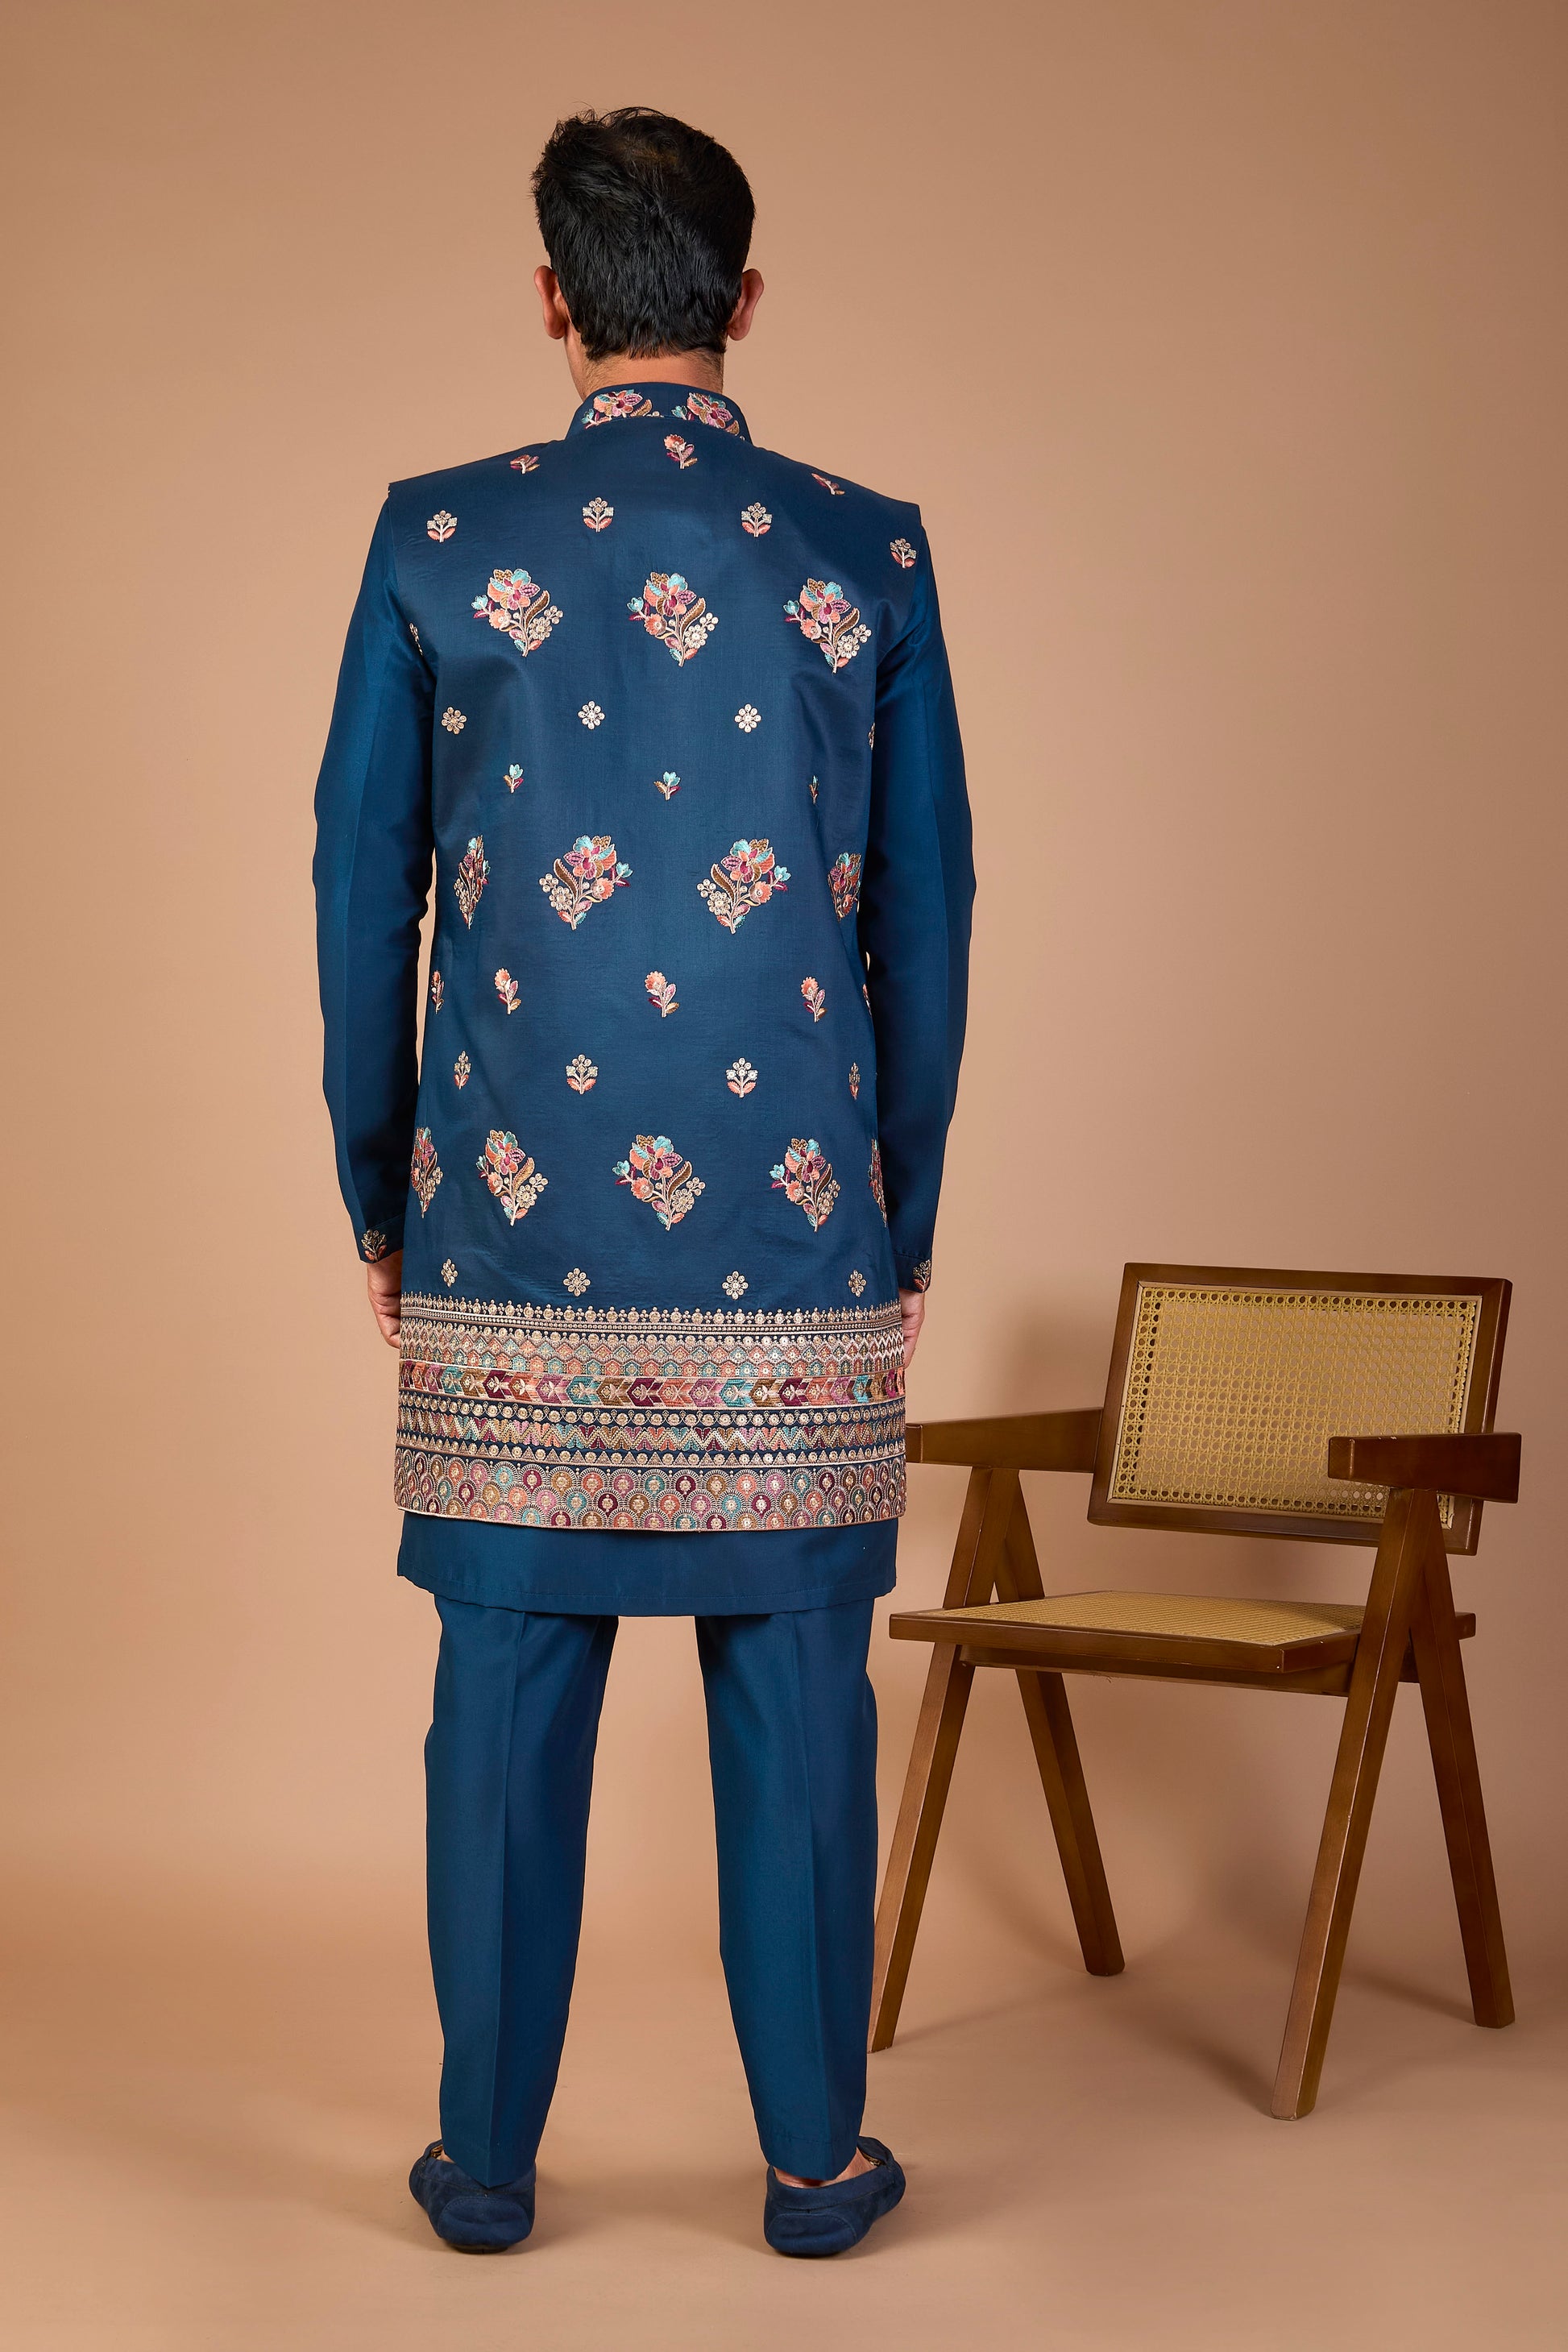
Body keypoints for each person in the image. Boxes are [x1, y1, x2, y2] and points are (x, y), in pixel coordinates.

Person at [313, 106, 973, 2259]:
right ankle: (814, 2166)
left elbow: (361, 891)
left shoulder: (435, 541)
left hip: (515, 1222)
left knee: (502, 1698)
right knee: (797, 1702)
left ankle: (487, 2168)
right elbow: (930, 918)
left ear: (552, 300)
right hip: (796, 1234)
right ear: (744, 297)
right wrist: (894, 1220)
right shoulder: (864, 552)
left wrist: (381, 1197)